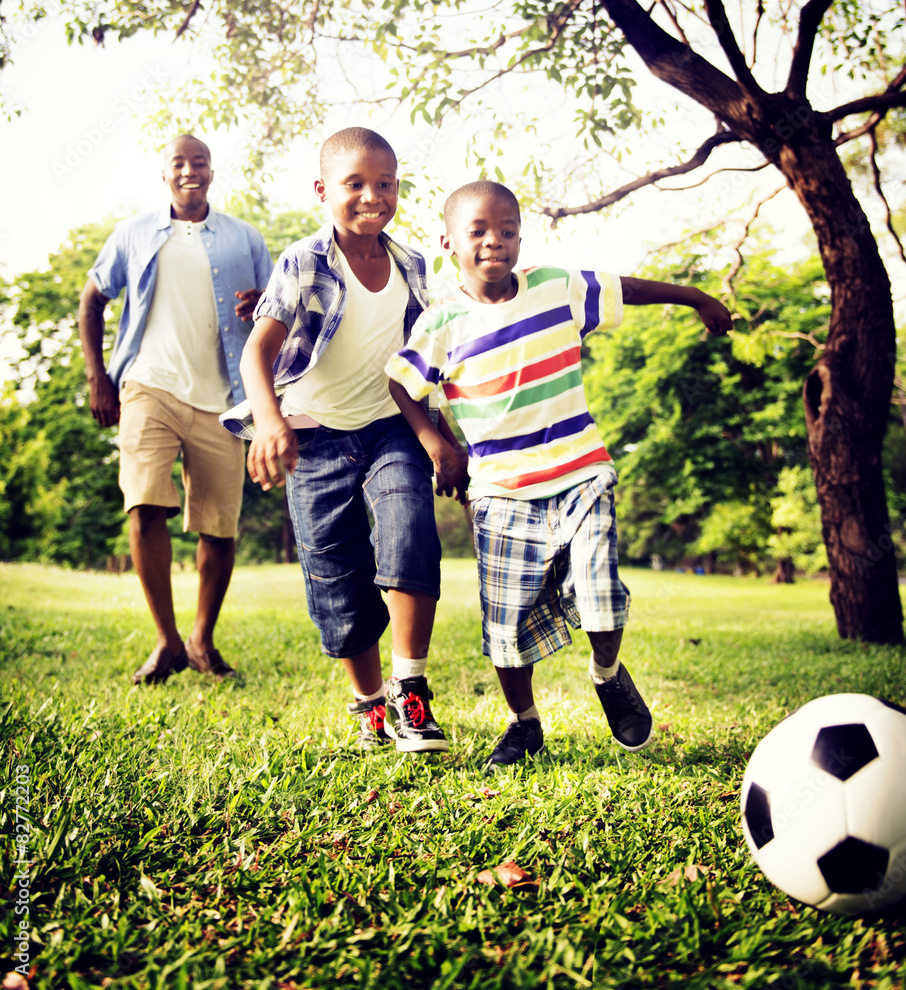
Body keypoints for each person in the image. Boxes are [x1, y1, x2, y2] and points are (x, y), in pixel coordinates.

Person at [385, 180, 733, 768]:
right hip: (501, 491)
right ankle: (523, 724)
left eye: (508, 230)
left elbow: (627, 287)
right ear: (448, 242)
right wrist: (438, 446)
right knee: (506, 623)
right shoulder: (442, 322)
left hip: (581, 474)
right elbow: (402, 383)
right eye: (478, 232)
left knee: (600, 595)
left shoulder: (555, 288)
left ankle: (608, 674)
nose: (494, 241)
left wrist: (695, 296)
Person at [223, 127, 466, 753]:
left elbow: (421, 366)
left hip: (390, 426)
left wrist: (439, 436)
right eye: (354, 184)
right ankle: (369, 701)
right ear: (322, 190)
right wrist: (271, 421)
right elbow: (259, 351)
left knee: (410, 527)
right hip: (314, 435)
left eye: (384, 184)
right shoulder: (304, 261)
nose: (371, 196)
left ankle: (410, 689)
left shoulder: (411, 265)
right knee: (335, 570)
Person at [79, 134, 273, 686]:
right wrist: (99, 377)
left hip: (224, 398)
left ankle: (201, 640)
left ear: (212, 171)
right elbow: (92, 300)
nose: (190, 171)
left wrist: (260, 308)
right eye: (179, 163)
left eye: (200, 162)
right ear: (164, 173)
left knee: (219, 526)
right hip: (148, 385)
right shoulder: (133, 234)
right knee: (144, 505)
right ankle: (165, 641)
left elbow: (277, 313)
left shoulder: (245, 238)